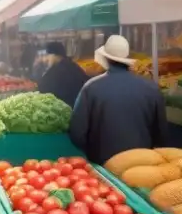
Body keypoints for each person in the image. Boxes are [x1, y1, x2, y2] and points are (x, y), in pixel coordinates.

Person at [69, 35, 168, 165]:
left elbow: (77, 132)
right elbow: (162, 134)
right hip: (141, 164)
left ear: (105, 58)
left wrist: (92, 151)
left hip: (104, 163)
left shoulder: (91, 88)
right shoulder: (151, 88)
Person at [38, 41, 88, 108]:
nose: (45, 59)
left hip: (61, 110)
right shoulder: (74, 66)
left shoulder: (56, 71)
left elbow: (44, 88)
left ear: (55, 55)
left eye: (47, 55)